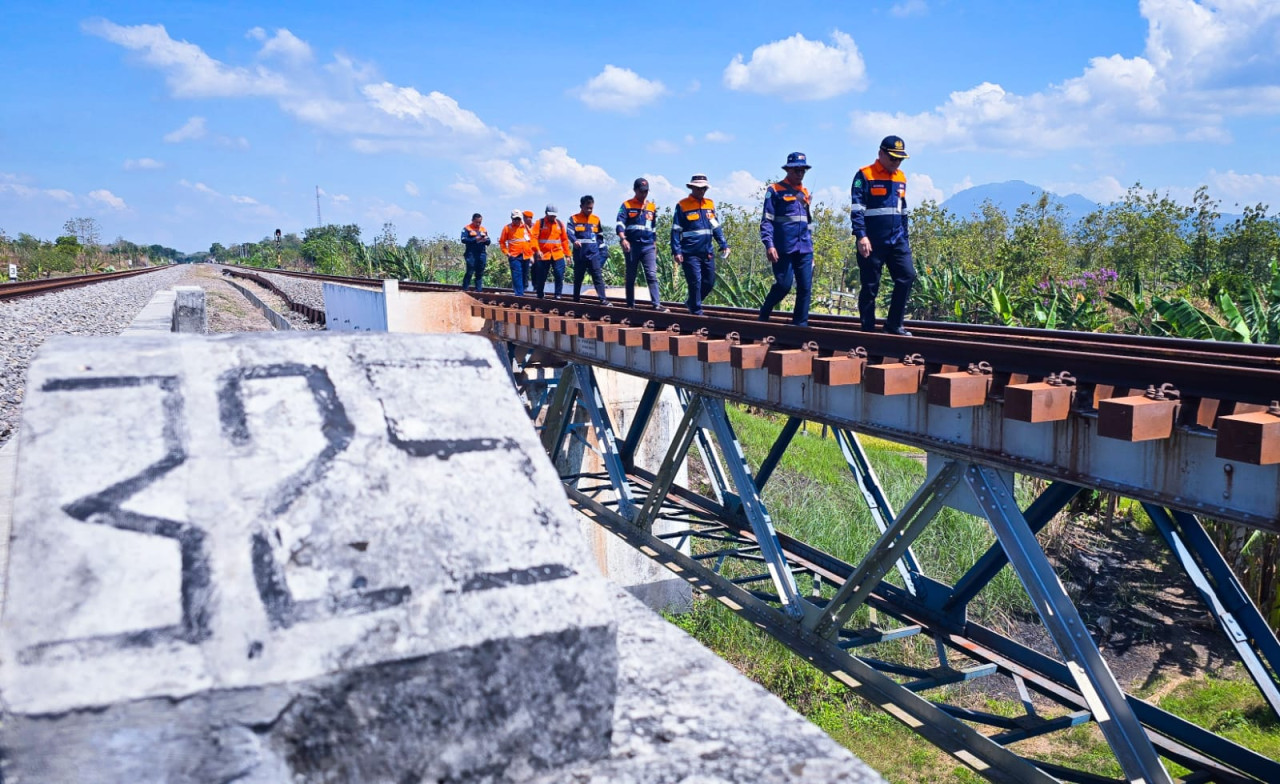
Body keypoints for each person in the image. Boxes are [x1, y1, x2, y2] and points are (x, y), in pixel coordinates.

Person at [851, 135, 916, 335]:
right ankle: (868, 329)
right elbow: (857, 208)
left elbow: (902, 210)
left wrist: (905, 237)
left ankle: (894, 324)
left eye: (900, 159)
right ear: (881, 154)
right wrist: (861, 236)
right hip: (872, 241)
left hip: (897, 240)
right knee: (870, 286)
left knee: (907, 275)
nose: (896, 163)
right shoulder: (865, 175)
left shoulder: (901, 177)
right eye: (893, 158)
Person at [758, 152, 814, 327]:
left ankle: (800, 325)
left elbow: (807, 222)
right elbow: (767, 220)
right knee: (784, 285)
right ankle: (765, 312)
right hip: (783, 247)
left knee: (805, 287)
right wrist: (769, 244)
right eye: (796, 170)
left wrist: (812, 249)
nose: (800, 173)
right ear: (788, 170)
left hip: (804, 247)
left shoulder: (804, 192)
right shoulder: (774, 190)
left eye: (803, 170)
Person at [671, 174, 729, 315]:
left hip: (707, 252)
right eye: (698, 188)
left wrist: (723, 244)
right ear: (691, 187)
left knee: (709, 282)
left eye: (703, 188)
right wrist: (676, 251)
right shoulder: (682, 205)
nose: (701, 191)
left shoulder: (709, 204)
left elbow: (715, 226)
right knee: (695, 282)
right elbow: (675, 231)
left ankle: (691, 303)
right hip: (689, 252)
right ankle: (696, 311)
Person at [616, 177, 667, 310]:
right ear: (635, 190)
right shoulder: (626, 205)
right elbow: (619, 224)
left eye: (646, 191)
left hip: (648, 246)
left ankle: (656, 304)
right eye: (641, 191)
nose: (643, 194)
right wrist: (623, 239)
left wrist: (655, 245)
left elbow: (653, 228)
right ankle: (630, 305)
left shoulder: (651, 207)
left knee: (651, 274)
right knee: (631, 275)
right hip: (632, 246)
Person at [569, 195, 609, 304]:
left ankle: (603, 299)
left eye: (591, 208)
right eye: (587, 208)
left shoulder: (596, 219)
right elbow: (570, 232)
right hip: (580, 254)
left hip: (593, 253)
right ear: (581, 206)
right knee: (578, 277)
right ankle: (576, 299)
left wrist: (603, 250)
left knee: (597, 276)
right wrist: (574, 241)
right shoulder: (574, 218)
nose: (589, 210)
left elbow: (599, 236)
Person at [532, 204, 571, 299]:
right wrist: (537, 250)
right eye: (551, 215)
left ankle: (558, 295)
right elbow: (534, 238)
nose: (552, 217)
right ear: (546, 213)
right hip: (544, 255)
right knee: (542, 276)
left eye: (554, 215)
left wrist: (568, 255)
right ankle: (540, 294)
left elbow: (564, 240)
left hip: (557, 254)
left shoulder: (559, 224)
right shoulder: (539, 223)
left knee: (559, 274)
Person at [499, 210, 533, 295]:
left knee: (524, 276)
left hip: (526, 255)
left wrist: (531, 254)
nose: (517, 221)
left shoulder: (525, 227)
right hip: (514, 256)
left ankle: (522, 292)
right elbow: (502, 242)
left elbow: (531, 240)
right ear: (511, 218)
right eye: (515, 219)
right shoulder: (507, 228)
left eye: (518, 219)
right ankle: (519, 296)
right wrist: (506, 253)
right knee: (517, 275)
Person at [460, 213, 490, 291]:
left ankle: (479, 290)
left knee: (479, 273)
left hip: (481, 253)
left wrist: (485, 240)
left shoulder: (483, 229)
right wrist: (475, 239)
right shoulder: (467, 228)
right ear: (473, 220)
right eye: (476, 222)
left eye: (480, 222)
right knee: (470, 271)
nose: (478, 224)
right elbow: (463, 240)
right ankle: (465, 288)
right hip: (471, 254)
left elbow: (489, 241)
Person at [520, 210, 536, 294]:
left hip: (535, 251)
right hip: (526, 251)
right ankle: (524, 287)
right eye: (525, 218)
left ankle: (535, 287)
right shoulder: (521, 228)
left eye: (529, 218)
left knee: (536, 269)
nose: (526, 219)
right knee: (525, 270)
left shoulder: (535, 227)